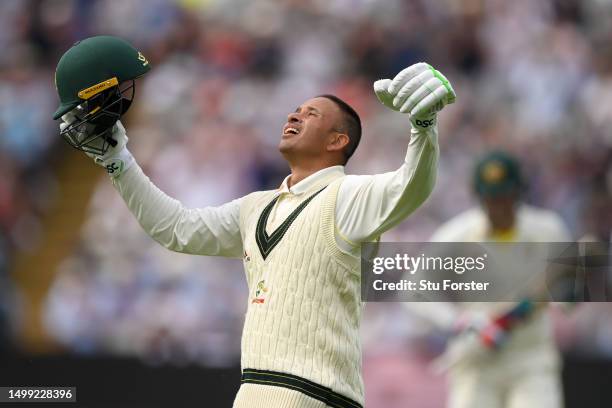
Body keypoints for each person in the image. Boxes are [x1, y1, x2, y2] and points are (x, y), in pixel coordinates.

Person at [53, 36, 456, 408]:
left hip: (315, 393)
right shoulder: (256, 207)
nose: (294, 116)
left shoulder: (348, 195)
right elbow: (176, 228)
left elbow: (411, 186)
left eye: (311, 114)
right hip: (254, 390)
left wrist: (423, 126)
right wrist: (118, 162)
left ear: (338, 141)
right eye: (295, 110)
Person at [418, 151, 571, 408]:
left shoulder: (548, 229)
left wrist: (569, 289)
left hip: (531, 358)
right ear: (478, 196)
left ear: (519, 192)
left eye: (504, 196)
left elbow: (569, 298)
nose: (498, 205)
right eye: (490, 197)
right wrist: (460, 321)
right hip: (476, 360)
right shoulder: (457, 235)